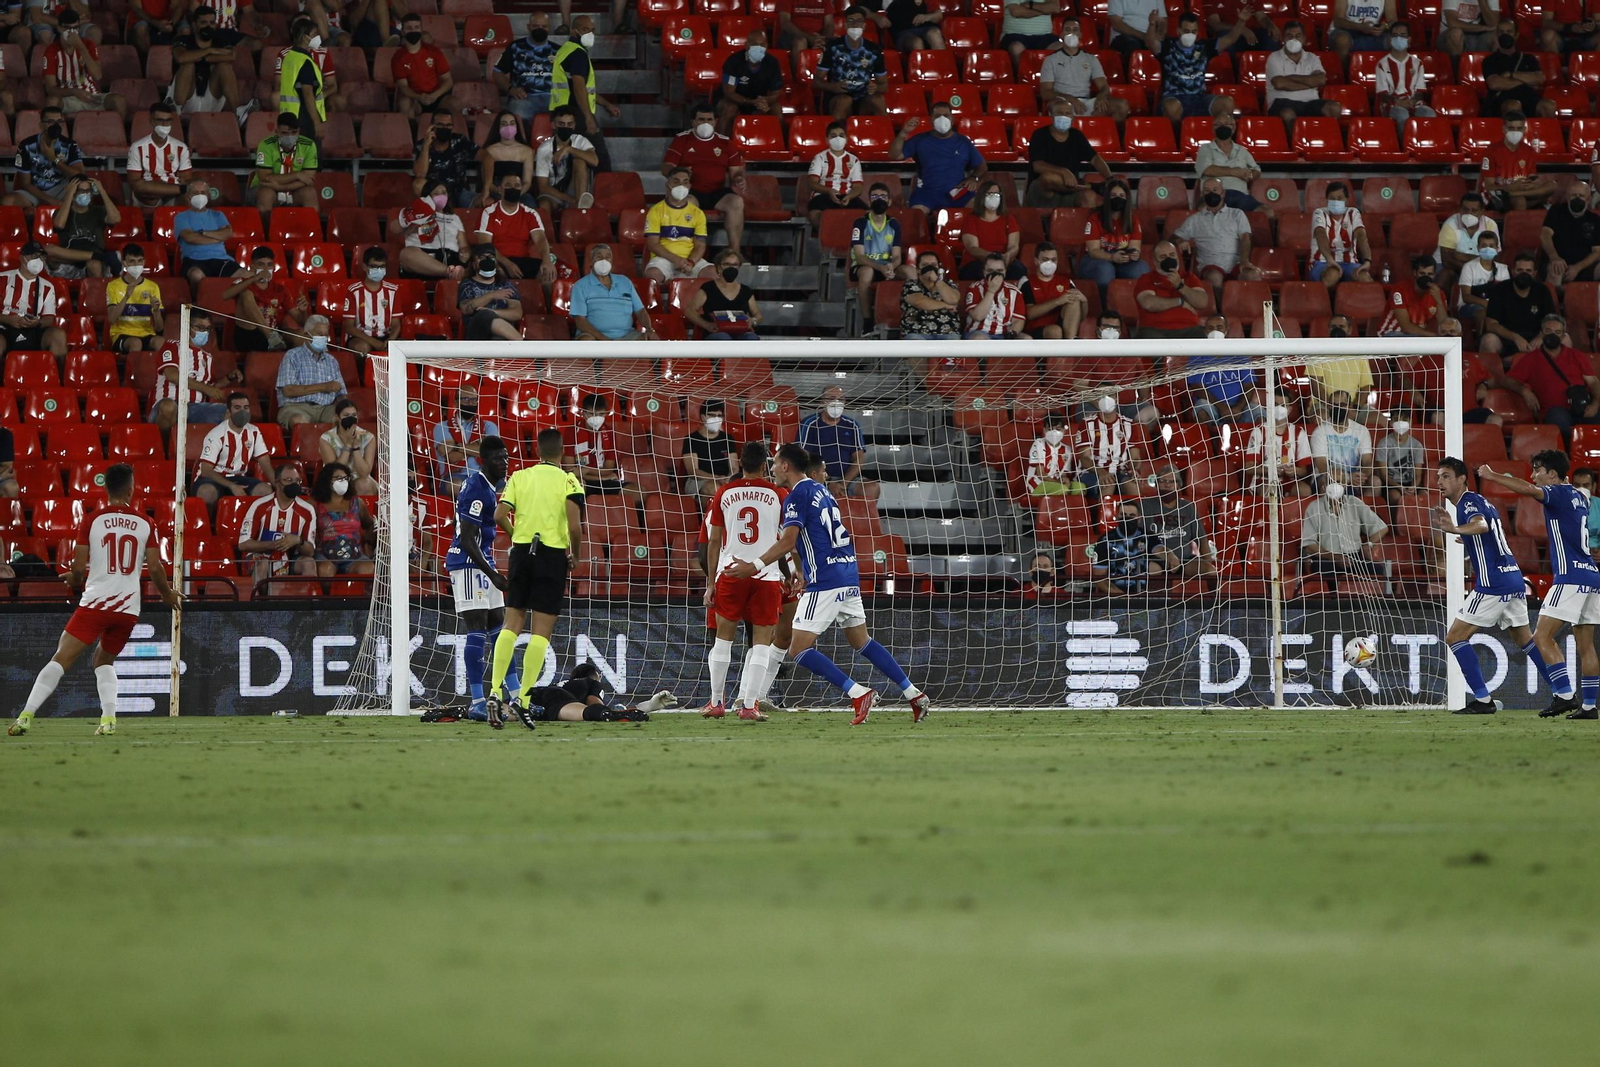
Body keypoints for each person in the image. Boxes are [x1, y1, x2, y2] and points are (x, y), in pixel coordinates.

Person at [725, 443, 928, 725]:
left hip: (825, 581)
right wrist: (798, 567)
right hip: (847, 572)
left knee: (798, 649)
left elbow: (788, 540)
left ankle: (857, 693)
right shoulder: (822, 491)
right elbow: (810, 538)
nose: (771, 469)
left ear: (786, 466)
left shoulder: (796, 496)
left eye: (775, 464)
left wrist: (754, 565)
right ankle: (913, 693)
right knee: (862, 641)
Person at [7, 463, 179, 738]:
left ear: (105, 487)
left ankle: (26, 715)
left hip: (96, 603)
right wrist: (167, 594)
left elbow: (77, 569)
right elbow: (156, 568)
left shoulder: (92, 520)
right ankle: (109, 719)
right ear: (131, 488)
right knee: (104, 662)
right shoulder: (146, 523)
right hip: (128, 609)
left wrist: (73, 579)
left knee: (61, 658)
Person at [1478, 450, 1600, 718]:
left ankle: (1565, 695)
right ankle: (1589, 707)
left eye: (1537, 470)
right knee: (1587, 645)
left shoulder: (1556, 493)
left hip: (1569, 578)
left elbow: (1528, 490)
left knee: (1542, 637)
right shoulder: (1581, 497)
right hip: (1592, 575)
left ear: (1553, 475)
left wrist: (1492, 475)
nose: (1533, 476)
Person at [485, 429, 587, 728]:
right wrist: (575, 555)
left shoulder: (520, 476)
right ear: (561, 452)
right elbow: (575, 526)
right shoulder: (568, 480)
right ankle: (523, 700)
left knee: (511, 623)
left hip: (521, 554)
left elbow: (499, 513)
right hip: (551, 556)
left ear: (538, 451)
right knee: (541, 631)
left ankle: (494, 691)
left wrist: (517, 534)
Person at [1435, 456, 1548, 714]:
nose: (1440, 482)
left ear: (1462, 478)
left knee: (1455, 637)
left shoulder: (1467, 503)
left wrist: (1455, 529)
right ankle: (1563, 691)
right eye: (1438, 477)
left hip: (1493, 584)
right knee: (1525, 640)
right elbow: (1491, 534)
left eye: (1446, 476)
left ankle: (1483, 701)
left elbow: (1482, 525)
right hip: (1513, 578)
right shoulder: (1480, 500)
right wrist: (1467, 540)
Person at [700, 440, 795, 721]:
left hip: (731, 573)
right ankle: (750, 705)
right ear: (765, 466)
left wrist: (711, 583)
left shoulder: (724, 493)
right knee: (761, 643)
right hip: (765, 576)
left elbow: (714, 540)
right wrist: (792, 574)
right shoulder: (779, 494)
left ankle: (716, 702)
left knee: (723, 640)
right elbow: (788, 540)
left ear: (740, 463)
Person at [662, 104, 747, 256]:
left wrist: (739, 178)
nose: (706, 123)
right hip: (692, 191)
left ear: (715, 122)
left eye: (709, 119)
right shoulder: (682, 140)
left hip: (717, 192)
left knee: (737, 202)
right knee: (687, 203)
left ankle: (735, 252)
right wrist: (679, 173)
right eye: (701, 119)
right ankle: (689, 253)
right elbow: (667, 167)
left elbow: (736, 171)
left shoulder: (726, 142)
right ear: (693, 122)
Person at [1503, 313, 1600, 441]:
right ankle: (1566, 457)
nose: (1552, 335)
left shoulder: (1576, 355)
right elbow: (1507, 380)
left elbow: (1593, 382)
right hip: (1555, 410)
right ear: (1542, 333)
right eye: (1548, 331)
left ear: (1563, 335)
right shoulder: (1531, 359)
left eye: (1557, 332)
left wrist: (1595, 403)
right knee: (1558, 421)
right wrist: (1524, 391)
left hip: (1583, 406)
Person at [550, 15, 621, 173]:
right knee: (600, 159)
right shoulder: (578, 54)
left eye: (593, 30)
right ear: (574, 31)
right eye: (585, 29)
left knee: (576, 159)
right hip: (577, 114)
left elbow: (586, 90)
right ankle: (604, 194)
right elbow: (579, 87)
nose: (590, 34)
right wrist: (588, 117)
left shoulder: (565, 49)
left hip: (563, 112)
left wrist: (606, 104)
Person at [1174, 176, 1262, 302]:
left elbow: (1245, 238)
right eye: (1207, 190)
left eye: (1215, 189)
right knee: (1214, 277)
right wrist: (1180, 241)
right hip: (1210, 265)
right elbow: (1174, 237)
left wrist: (1244, 261)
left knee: (1252, 275)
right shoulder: (1195, 219)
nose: (1211, 193)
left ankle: (1255, 314)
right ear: (1203, 194)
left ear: (1223, 193)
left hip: (1235, 263)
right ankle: (1221, 314)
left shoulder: (1237, 214)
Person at [894, 102, 987, 214]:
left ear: (952, 119)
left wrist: (974, 178)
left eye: (946, 115)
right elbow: (895, 155)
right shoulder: (919, 140)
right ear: (931, 120)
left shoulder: (963, 142)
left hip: (957, 193)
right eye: (937, 116)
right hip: (926, 194)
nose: (942, 119)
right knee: (916, 217)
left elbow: (982, 166)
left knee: (979, 211)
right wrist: (903, 132)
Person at [237, 463, 319, 585]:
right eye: (288, 480)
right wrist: (276, 544)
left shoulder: (307, 510)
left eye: (297, 481)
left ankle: (306, 602)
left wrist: (298, 541)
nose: (294, 484)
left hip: (290, 559)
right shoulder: (259, 506)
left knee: (309, 563)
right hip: (260, 557)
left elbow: (310, 551)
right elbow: (243, 544)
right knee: (263, 564)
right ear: (277, 482)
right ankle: (259, 602)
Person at [1159, 10, 1243, 125]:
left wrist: (1242, 21)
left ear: (1198, 32)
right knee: (1172, 107)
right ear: (1178, 31)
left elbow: (1230, 39)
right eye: (1186, 31)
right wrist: (1153, 25)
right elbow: (1150, 43)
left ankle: (1218, 138)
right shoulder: (1168, 47)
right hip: (1174, 96)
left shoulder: (1204, 47)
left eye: (1194, 31)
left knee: (1227, 102)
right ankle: (1178, 138)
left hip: (1200, 98)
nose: (1190, 35)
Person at [1299, 480, 1388, 588]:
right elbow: (1309, 545)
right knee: (1325, 574)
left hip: (1354, 556)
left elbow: (1381, 528)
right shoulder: (1313, 507)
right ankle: (1333, 603)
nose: (1335, 485)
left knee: (1378, 570)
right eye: (1331, 481)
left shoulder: (1355, 503)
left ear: (1345, 485)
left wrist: (1368, 544)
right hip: (1326, 559)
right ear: (1324, 485)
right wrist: (1334, 557)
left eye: (1339, 481)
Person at [1026, 99, 1112, 209]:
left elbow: (1095, 159)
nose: (1064, 116)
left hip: (1071, 190)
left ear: (1073, 117)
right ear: (1051, 115)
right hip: (1044, 192)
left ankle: (1086, 224)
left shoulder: (1077, 136)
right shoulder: (1040, 135)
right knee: (1049, 177)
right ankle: (1091, 186)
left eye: (1067, 113)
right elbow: (1037, 166)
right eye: (1060, 113)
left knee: (1089, 196)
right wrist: (1063, 172)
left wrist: (1110, 178)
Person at [193, 392, 274, 506]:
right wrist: (232, 486)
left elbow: (264, 461)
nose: (242, 412)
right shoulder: (216, 434)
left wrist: (276, 484)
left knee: (265, 491)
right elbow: (206, 470)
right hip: (214, 478)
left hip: (240, 477)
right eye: (237, 408)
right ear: (229, 411)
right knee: (207, 492)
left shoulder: (254, 431)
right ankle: (211, 523)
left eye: (246, 408)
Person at [797, 387, 878, 500]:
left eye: (841, 399)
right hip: (817, 477)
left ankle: (862, 518)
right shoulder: (809, 424)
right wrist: (829, 482)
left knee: (871, 488)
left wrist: (842, 484)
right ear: (822, 402)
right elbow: (803, 457)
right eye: (831, 398)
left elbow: (859, 460)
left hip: (846, 479)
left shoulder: (852, 426)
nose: (836, 402)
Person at [150, 311, 227, 431]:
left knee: (231, 413)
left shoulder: (208, 358)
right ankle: (164, 448)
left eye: (207, 329)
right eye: (200, 328)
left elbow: (209, 387)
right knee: (168, 407)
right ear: (187, 327)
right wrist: (206, 388)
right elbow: (172, 375)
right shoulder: (172, 346)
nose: (204, 332)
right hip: (170, 402)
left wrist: (228, 379)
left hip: (197, 408)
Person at [42, 10, 126, 119]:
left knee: (119, 101)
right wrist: (74, 91)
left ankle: (119, 134)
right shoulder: (51, 51)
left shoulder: (88, 44)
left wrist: (81, 47)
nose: (72, 32)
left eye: (75, 28)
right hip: (67, 97)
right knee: (52, 101)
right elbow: (50, 89)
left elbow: (97, 75)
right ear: (60, 29)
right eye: (67, 28)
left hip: (91, 95)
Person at [226, 244, 309, 351]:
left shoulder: (280, 289)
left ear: (273, 268)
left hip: (275, 337)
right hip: (248, 335)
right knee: (246, 294)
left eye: (269, 265)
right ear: (252, 266)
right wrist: (253, 279)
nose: (265, 269)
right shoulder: (243, 283)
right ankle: (270, 335)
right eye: (261, 265)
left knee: (301, 335)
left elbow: (301, 321)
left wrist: (303, 312)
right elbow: (225, 295)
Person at [1141, 466, 1218, 581]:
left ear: (1178, 485)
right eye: (1163, 481)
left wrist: (1208, 563)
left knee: (1210, 571)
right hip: (1155, 559)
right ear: (1156, 484)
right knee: (1153, 570)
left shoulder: (1188, 507)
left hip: (1185, 560)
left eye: (1172, 481)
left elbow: (1201, 538)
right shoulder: (1145, 505)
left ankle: (1212, 598)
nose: (1167, 485)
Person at [566, 394, 644, 506]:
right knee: (578, 485)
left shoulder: (609, 432)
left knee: (639, 492)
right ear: (583, 413)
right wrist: (603, 476)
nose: (597, 418)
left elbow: (608, 468)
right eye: (592, 414)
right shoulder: (571, 432)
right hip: (585, 481)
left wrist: (587, 470)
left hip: (604, 480)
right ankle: (582, 520)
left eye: (601, 414)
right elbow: (570, 471)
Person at [474, 173, 553, 283]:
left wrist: (546, 260)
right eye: (508, 185)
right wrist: (507, 264)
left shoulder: (530, 213)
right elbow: (485, 245)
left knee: (547, 273)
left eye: (517, 185)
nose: (513, 188)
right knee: (492, 268)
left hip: (522, 261)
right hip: (498, 261)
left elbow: (540, 239)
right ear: (500, 189)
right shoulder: (488, 212)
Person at [4, 104, 84, 209]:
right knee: (7, 202)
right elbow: (25, 183)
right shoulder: (26, 145)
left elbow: (79, 175)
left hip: (62, 189)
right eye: (50, 122)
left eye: (59, 122)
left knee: (83, 199)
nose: (56, 126)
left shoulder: (70, 145)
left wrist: (54, 159)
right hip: (35, 191)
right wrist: (50, 200)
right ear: (41, 125)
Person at [1185, 316, 1262, 424]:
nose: (1215, 331)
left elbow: (1249, 385)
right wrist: (1222, 407)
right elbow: (1197, 387)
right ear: (1205, 331)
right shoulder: (1197, 355)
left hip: (1239, 407)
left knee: (1259, 414)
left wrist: (1238, 408)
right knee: (1202, 411)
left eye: (1219, 327)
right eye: (1210, 328)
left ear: (1227, 330)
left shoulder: (1239, 354)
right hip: (1212, 405)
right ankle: (1208, 441)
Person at [1077, 177, 1148, 294]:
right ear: (1107, 198)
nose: (1117, 198)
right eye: (1113, 195)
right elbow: (1093, 250)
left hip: (1122, 259)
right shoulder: (1095, 218)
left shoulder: (1133, 220)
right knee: (1105, 269)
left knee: (1141, 268)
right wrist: (1111, 257)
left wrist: (1134, 255)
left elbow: (1135, 247)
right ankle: (1105, 308)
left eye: (1121, 195)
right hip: (1096, 259)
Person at [172, 5, 245, 119]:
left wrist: (200, 56)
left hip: (211, 98)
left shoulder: (221, 41)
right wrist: (210, 50)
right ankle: (175, 112)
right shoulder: (183, 40)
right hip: (186, 99)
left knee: (224, 66)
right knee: (188, 65)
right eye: (204, 23)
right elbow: (181, 58)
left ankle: (239, 112)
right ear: (194, 25)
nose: (208, 26)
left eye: (211, 23)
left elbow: (231, 56)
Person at [644, 170, 714, 285]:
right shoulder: (655, 211)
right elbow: (653, 244)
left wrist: (690, 262)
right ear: (668, 185)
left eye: (685, 182)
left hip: (689, 259)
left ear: (689, 186)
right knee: (653, 274)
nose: (681, 186)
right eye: (676, 182)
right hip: (664, 259)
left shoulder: (697, 213)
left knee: (712, 273)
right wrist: (677, 260)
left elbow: (700, 245)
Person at [570, 244, 654, 341]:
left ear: (611, 261)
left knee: (650, 341)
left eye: (607, 257)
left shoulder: (625, 282)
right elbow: (580, 321)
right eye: (599, 257)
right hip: (595, 336)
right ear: (591, 261)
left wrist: (649, 329)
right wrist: (603, 339)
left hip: (626, 335)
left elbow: (640, 311)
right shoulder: (580, 286)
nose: (603, 260)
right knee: (586, 341)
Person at [1265, 21, 1339, 129]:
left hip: (1310, 102)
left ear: (1304, 39)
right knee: (1287, 113)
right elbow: (1279, 83)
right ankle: (1293, 144)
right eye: (1289, 36)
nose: (1294, 39)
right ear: (1283, 39)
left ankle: (1326, 143)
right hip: (1282, 102)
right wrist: (1310, 83)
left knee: (1334, 108)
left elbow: (1321, 80)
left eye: (1298, 36)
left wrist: (1290, 78)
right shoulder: (1274, 57)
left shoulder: (1312, 57)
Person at [818, 6, 887, 122]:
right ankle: (837, 135)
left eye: (859, 21)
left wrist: (876, 87)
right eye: (851, 21)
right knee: (844, 101)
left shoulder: (874, 50)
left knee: (878, 100)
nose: (855, 24)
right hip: (838, 96)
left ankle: (885, 136)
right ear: (845, 25)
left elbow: (884, 86)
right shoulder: (833, 47)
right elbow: (816, 82)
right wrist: (832, 87)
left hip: (863, 97)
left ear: (864, 26)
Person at [275, 315, 345, 429]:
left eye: (325, 335)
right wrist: (324, 387)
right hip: (296, 407)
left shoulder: (332, 361)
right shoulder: (292, 356)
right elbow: (288, 390)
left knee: (343, 420)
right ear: (306, 334)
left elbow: (341, 393)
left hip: (326, 408)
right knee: (299, 420)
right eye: (319, 334)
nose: (323, 338)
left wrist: (345, 408)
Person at [1483, 253, 1558, 359]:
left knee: (1565, 339)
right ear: (1513, 271)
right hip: (1507, 338)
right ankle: (1494, 375)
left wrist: (1541, 336)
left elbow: (1552, 321)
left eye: (1528, 271)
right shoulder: (1499, 289)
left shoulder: (1543, 290)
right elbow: (1491, 324)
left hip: (1536, 338)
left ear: (1535, 273)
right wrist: (1515, 337)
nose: (1524, 274)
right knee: (1488, 340)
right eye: (1520, 270)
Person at [1092, 497, 1172, 595]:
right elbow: (1099, 578)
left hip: (1143, 596)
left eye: (1131, 515)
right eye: (1123, 515)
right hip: (1114, 597)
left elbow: (1160, 549)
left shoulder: (1148, 536)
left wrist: (1170, 555)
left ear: (1139, 519)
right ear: (1117, 517)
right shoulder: (1105, 540)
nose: (1127, 518)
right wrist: (1123, 598)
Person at [47, 173, 119, 280]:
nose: (85, 194)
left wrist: (102, 191)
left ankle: (96, 259)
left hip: (93, 261)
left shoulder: (98, 211)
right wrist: (69, 195)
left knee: (94, 264)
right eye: (81, 191)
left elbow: (116, 219)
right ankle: (101, 257)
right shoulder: (61, 212)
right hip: (70, 259)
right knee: (49, 250)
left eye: (88, 191)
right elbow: (59, 224)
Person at [1480, 111, 1556, 212]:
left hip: (1522, 192)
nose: (1515, 132)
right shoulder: (1491, 151)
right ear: (1504, 129)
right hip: (1500, 196)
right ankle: (1520, 223)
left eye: (1519, 128)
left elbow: (1531, 178)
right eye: (1511, 128)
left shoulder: (1529, 151)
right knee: (1520, 201)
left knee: (1553, 185)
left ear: (1524, 130)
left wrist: (1533, 184)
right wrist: (1512, 187)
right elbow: (1489, 186)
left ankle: (1517, 195)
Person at [850, 183, 903, 330]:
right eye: (874, 196)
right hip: (865, 267)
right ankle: (867, 321)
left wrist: (892, 266)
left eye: (883, 196)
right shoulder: (860, 223)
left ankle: (910, 316)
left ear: (889, 201)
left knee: (910, 272)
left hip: (886, 267)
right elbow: (860, 256)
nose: (879, 199)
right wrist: (880, 267)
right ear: (869, 201)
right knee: (867, 272)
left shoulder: (894, 224)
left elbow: (897, 256)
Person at [0, 244, 66, 360]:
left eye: (41, 257)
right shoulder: (2, 279)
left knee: (58, 335)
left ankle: (58, 377)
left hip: (34, 329)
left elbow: (49, 318)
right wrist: (8, 319)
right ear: (22, 257)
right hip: (4, 328)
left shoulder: (47, 286)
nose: (38, 260)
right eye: (34, 256)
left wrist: (37, 323)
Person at [1075, 393, 1145, 501]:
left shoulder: (1129, 424)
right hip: (1092, 472)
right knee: (1109, 484)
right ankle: (1102, 517)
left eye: (1110, 395)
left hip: (1120, 472)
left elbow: (1135, 457)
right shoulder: (1086, 423)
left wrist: (1135, 469)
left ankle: (1137, 516)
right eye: (1102, 395)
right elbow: (1084, 458)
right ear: (1097, 400)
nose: (1106, 399)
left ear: (1116, 398)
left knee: (1132, 486)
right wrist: (1102, 472)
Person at [310, 461, 374, 578]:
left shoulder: (357, 503)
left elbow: (369, 524)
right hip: (325, 555)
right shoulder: (315, 504)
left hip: (355, 556)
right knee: (325, 570)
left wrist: (368, 543)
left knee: (367, 568)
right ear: (327, 480)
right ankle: (326, 597)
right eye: (338, 478)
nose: (343, 481)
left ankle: (355, 596)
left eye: (345, 478)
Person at [1133, 240, 1208, 339]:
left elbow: (1202, 302)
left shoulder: (1189, 277)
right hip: (1155, 330)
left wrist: (1180, 286)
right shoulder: (1146, 279)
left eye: (1172, 255)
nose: (1169, 259)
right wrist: (1180, 302)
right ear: (1155, 262)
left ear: (1177, 257)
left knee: (1203, 340)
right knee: (1149, 340)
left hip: (1189, 330)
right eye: (1163, 257)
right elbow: (1148, 303)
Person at [433, 383, 501, 491]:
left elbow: (492, 452)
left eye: (474, 400)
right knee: (456, 486)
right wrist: (478, 446)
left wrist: (456, 445)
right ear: (456, 402)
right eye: (466, 399)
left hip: (486, 475)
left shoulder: (489, 426)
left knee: (508, 489)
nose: (470, 403)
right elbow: (452, 457)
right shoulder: (442, 426)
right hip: (456, 476)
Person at [398, 182, 472, 280]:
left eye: (444, 193)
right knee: (406, 254)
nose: (441, 196)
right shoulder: (416, 212)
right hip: (421, 258)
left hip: (449, 257)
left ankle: (451, 271)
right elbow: (397, 229)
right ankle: (448, 272)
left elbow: (463, 245)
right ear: (427, 196)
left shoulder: (455, 218)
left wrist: (465, 252)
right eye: (436, 193)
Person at [715, 30, 784, 136]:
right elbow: (729, 93)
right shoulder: (733, 62)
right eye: (755, 44)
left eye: (762, 45)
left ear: (766, 46)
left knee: (776, 109)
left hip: (758, 101)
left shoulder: (772, 62)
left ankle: (778, 145)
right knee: (730, 109)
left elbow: (776, 92)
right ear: (747, 45)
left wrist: (766, 101)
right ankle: (722, 143)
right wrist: (751, 101)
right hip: (733, 101)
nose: (759, 48)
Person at [1309, 180, 1373, 293]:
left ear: (1347, 199)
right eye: (1332, 198)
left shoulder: (1353, 213)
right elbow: (1320, 234)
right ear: (1327, 199)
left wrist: (1367, 260)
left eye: (1339, 198)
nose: (1335, 201)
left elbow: (1361, 235)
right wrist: (1330, 260)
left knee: (1365, 278)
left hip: (1350, 263)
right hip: (1322, 261)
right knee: (1332, 274)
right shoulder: (1319, 213)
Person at [799, 121, 865, 229]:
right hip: (823, 196)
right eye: (833, 136)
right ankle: (828, 240)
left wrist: (850, 196)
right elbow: (812, 183)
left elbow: (858, 187)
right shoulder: (819, 158)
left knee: (867, 214)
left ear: (846, 139)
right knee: (815, 216)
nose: (838, 139)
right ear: (827, 140)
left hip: (846, 196)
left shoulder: (854, 160)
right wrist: (829, 191)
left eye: (841, 135)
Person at [126, 101, 193, 207]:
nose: (165, 124)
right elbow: (134, 183)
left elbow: (187, 179)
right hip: (149, 195)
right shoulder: (137, 147)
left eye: (168, 121)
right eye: (160, 120)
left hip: (173, 194)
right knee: (142, 187)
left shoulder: (181, 147)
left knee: (194, 193)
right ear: (151, 121)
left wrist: (177, 186)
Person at [493, 11, 557, 121]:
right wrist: (511, 89)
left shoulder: (558, 50)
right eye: (535, 26)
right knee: (519, 112)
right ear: (528, 27)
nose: (540, 29)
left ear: (549, 28)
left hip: (552, 97)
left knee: (565, 116)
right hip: (525, 98)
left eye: (544, 26)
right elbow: (497, 72)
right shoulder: (515, 47)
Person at [1482, 21, 1554, 118]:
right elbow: (1494, 84)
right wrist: (1526, 80)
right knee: (1513, 105)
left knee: (1549, 105)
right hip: (1502, 100)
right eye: (1501, 32)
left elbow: (1539, 79)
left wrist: (1511, 75)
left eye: (1509, 31)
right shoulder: (1490, 60)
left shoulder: (1529, 58)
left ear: (1516, 35)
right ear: (1497, 35)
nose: (1505, 35)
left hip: (1529, 97)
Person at [252, 110, 320, 213]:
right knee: (266, 195)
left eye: (294, 132)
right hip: (267, 188)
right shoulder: (266, 145)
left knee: (310, 193)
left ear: (299, 131)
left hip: (294, 190)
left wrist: (281, 186)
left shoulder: (309, 146)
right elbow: (265, 179)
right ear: (277, 132)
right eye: (285, 133)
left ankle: (310, 229)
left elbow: (308, 180)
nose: (290, 137)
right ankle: (266, 229)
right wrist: (297, 175)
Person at [1195, 116, 1264, 215]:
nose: (1223, 127)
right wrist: (1236, 172)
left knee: (1266, 212)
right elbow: (1208, 170)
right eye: (1218, 124)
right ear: (1213, 128)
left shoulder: (1242, 150)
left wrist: (1249, 175)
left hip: (1240, 195)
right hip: (1214, 195)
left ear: (1234, 128)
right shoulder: (1205, 148)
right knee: (1205, 211)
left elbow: (1257, 170)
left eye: (1227, 124)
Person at [535, 105, 598, 212]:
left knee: (580, 161)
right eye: (561, 124)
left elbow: (594, 161)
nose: (566, 127)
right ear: (553, 125)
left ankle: (580, 207)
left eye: (569, 124)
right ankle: (549, 228)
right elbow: (543, 186)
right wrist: (568, 199)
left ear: (574, 126)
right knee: (544, 205)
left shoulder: (580, 140)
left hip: (575, 189)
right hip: (554, 191)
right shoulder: (544, 149)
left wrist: (568, 149)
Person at [174, 178, 233, 292]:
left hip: (221, 259)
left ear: (209, 195)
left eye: (203, 193)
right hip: (194, 260)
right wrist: (217, 238)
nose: (199, 196)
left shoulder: (218, 215)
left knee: (246, 275)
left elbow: (228, 233)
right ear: (188, 196)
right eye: (195, 193)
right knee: (196, 276)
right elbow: (190, 237)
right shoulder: (181, 217)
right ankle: (197, 306)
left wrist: (203, 233)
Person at [1040, 17, 1109, 115]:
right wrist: (1069, 99)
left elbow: (1103, 86)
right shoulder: (1051, 60)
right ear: (1062, 34)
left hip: (1086, 101)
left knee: (1121, 106)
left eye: (1075, 30)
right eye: (1067, 30)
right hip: (1062, 101)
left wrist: (1102, 95)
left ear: (1080, 35)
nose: (1071, 33)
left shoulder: (1091, 59)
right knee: (1061, 108)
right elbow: (1045, 93)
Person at [390, 11, 452, 119]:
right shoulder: (398, 57)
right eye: (409, 28)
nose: (413, 30)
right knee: (404, 103)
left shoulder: (434, 52)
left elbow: (448, 80)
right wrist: (418, 97)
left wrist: (434, 96)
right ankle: (411, 134)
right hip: (415, 99)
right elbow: (403, 86)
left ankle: (446, 134)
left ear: (421, 29)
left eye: (416, 27)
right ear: (403, 31)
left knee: (455, 103)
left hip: (436, 97)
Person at [1374, 19, 1433, 132]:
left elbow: (1420, 92)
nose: (1398, 38)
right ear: (1390, 39)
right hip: (1391, 104)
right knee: (1402, 114)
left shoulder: (1417, 63)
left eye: (1402, 35)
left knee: (1429, 113)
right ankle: (1405, 146)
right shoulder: (1382, 64)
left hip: (1413, 102)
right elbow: (1382, 95)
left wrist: (1411, 102)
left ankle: (1426, 146)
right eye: (1395, 35)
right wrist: (1397, 102)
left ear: (1409, 39)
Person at [689, 249, 761, 340]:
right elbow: (690, 311)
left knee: (751, 338)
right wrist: (707, 325)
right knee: (723, 338)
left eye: (735, 265)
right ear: (719, 268)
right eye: (727, 264)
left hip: (741, 332)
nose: (731, 267)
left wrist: (753, 321)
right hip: (717, 332)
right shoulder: (708, 288)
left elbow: (758, 315)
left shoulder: (746, 290)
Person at [1310, 389, 1375, 491]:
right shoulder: (1319, 432)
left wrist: (1361, 475)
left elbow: (1367, 462)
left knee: (1375, 482)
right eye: (1333, 404)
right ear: (1329, 407)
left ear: (1349, 407)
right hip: (1328, 477)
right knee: (1327, 482)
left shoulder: (1361, 431)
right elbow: (1322, 466)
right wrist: (1346, 478)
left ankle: (1363, 507)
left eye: (1342, 404)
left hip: (1355, 478)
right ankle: (1330, 507)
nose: (1338, 407)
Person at [412, 107, 477, 206]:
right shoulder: (421, 145)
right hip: (435, 193)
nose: (444, 128)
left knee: (484, 201)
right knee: (418, 183)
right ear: (432, 126)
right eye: (440, 125)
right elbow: (420, 174)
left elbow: (485, 155)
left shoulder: (460, 141)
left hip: (459, 191)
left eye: (448, 125)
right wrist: (426, 145)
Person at [1245, 403, 1314, 496]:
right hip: (1264, 480)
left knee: (1305, 491)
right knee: (1269, 493)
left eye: (1283, 405)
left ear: (1289, 409)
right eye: (1275, 404)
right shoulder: (1259, 431)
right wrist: (1270, 470)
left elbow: (1304, 471)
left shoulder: (1299, 432)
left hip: (1289, 481)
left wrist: (1294, 470)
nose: (1279, 408)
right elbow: (1248, 467)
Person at [1540, 182, 1600, 288]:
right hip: (1559, 263)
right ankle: (1555, 303)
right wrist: (1554, 257)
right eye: (1574, 195)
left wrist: (1577, 268)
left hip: (1584, 266)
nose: (1577, 198)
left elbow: (1597, 252)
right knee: (1556, 269)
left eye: (1581, 196)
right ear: (1568, 197)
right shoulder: (1556, 212)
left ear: (1588, 199)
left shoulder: (1595, 220)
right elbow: (1545, 234)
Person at [340, 247, 399, 356]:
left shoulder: (392, 290)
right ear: (364, 267)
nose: (379, 270)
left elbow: (396, 324)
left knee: (407, 347)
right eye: (374, 267)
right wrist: (373, 342)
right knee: (361, 348)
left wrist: (390, 341)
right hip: (360, 337)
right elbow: (349, 327)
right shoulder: (354, 291)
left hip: (385, 336)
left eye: (382, 267)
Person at [105, 244, 162, 356]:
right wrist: (126, 296)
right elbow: (111, 320)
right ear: (124, 263)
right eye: (132, 261)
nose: (136, 265)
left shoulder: (153, 287)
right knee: (136, 343)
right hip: (121, 334)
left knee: (160, 342)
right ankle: (133, 373)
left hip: (146, 333)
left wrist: (156, 311)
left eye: (139, 261)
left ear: (144, 262)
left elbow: (160, 328)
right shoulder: (113, 286)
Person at [1020, 243, 1085, 340]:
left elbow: (1080, 316)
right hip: (1035, 329)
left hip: (1063, 328)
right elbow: (1029, 313)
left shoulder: (1066, 282)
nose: (1049, 263)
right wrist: (1058, 301)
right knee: (1055, 330)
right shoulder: (1027, 281)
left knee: (1074, 300)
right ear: (1036, 261)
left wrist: (1084, 301)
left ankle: (1071, 344)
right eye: (1045, 260)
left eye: (1053, 260)